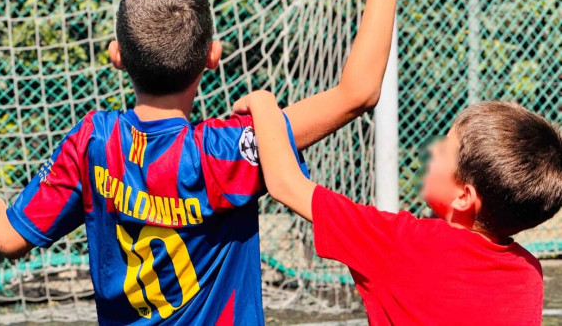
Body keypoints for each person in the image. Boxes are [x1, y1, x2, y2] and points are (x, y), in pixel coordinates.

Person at [0, 0, 410, 324]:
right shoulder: (228, 150)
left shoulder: (94, 140)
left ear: (116, 56)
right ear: (213, 57)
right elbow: (357, 94)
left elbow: (7, 236)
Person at [235, 90, 562, 325]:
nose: (432, 150)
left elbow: (285, 184)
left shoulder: (401, 243)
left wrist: (263, 104)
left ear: (464, 196)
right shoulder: (529, 276)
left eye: (445, 149)